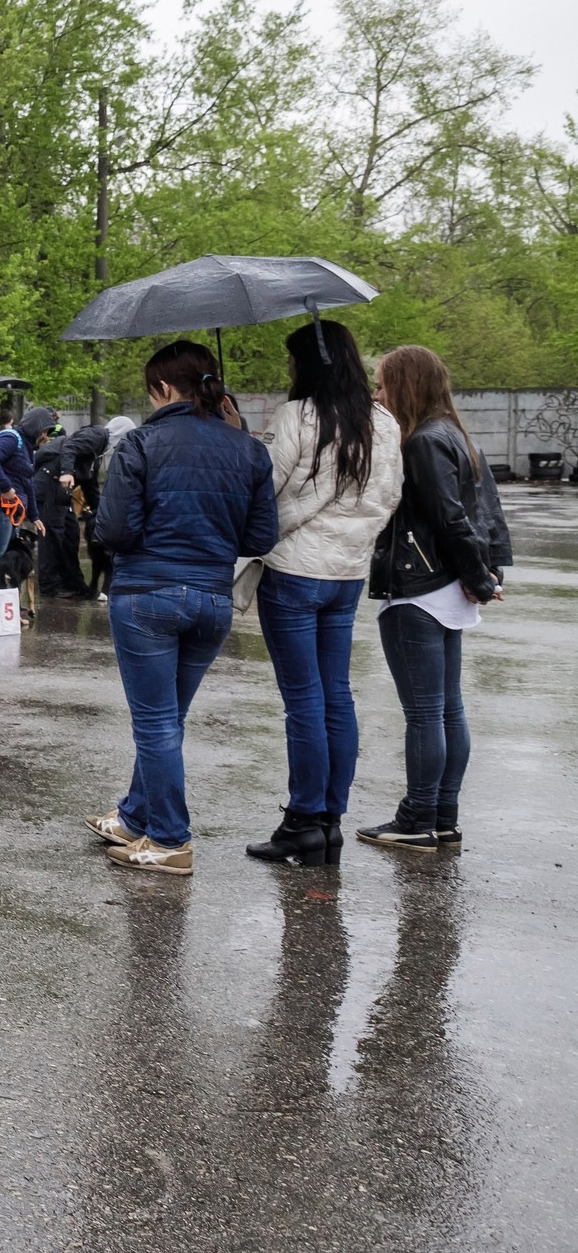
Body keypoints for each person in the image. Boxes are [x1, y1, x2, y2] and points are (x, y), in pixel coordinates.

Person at [90, 342, 277, 875]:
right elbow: (262, 534)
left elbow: (114, 530)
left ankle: (171, 839)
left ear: (165, 390)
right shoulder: (249, 450)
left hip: (148, 595)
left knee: (154, 724)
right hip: (213, 600)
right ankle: (135, 816)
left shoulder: (141, 444)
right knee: (168, 719)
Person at [246, 320, 403, 865]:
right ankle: (330, 820)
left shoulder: (297, 417)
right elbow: (389, 497)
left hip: (293, 571)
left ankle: (302, 820)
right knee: (336, 695)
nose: (289, 371)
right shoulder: (384, 422)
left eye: (293, 362)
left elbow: (262, 489)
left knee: (304, 701)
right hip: (346, 575)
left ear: (308, 365)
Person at [359, 346, 508, 853]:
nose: (376, 395)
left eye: (381, 386)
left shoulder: (422, 441)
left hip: (419, 589)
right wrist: (485, 572)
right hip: (447, 588)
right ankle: (442, 816)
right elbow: (488, 515)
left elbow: (452, 518)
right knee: (447, 711)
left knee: (427, 714)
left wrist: (481, 578)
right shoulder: (457, 436)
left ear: (405, 387)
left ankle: (418, 817)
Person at [33, 419, 117, 599]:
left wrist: (101, 511)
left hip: (61, 487)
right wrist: (67, 472)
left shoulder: (99, 451)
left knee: (71, 533)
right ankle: (49, 585)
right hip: (50, 482)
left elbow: (89, 484)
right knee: (52, 533)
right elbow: (70, 446)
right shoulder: (97, 435)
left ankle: (73, 581)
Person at [0, 403, 57, 577]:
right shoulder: (11, 438)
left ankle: (6, 601)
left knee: (5, 556)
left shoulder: (26, 448)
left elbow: (27, 483)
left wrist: (34, 516)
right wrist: (6, 488)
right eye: (45, 431)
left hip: (8, 510)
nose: (45, 436)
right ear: (36, 427)